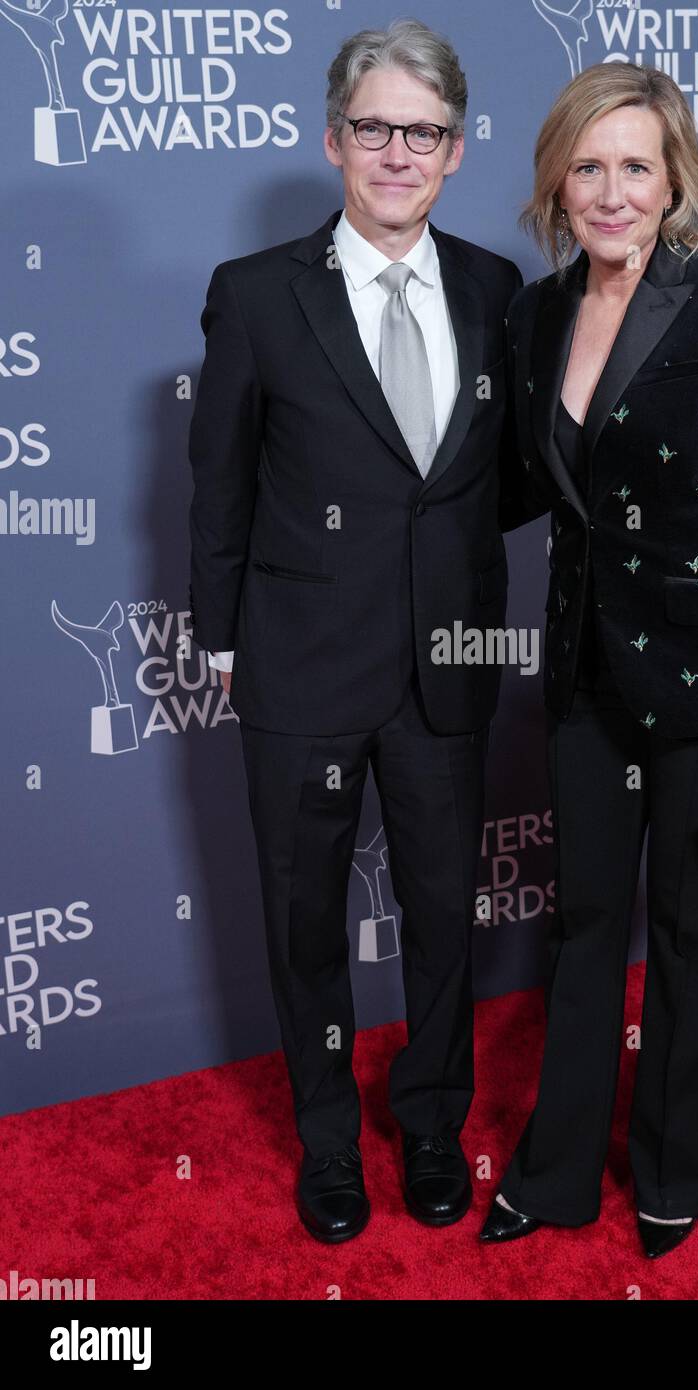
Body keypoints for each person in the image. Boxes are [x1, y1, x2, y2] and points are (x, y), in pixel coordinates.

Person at [187, 19, 522, 1244]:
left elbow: (503, 477)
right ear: (334, 140)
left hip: (449, 670)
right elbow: (217, 483)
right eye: (374, 127)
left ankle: (432, 1124)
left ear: (455, 149)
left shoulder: (495, 290)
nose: (396, 152)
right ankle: (329, 1141)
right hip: (299, 667)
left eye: (421, 132)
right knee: (305, 921)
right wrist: (222, 644)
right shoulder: (257, 293)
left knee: (443, 915)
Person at [483, 63, 698, 1258]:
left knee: (688, 930)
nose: (611, 191)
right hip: (578, 673)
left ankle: (677, 1167)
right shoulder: (534, 314)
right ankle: (558, 1169)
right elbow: (520, 489)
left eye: (636, 165)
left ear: (673, 178)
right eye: (588, 166)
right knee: (582, 927)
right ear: (556, 182)